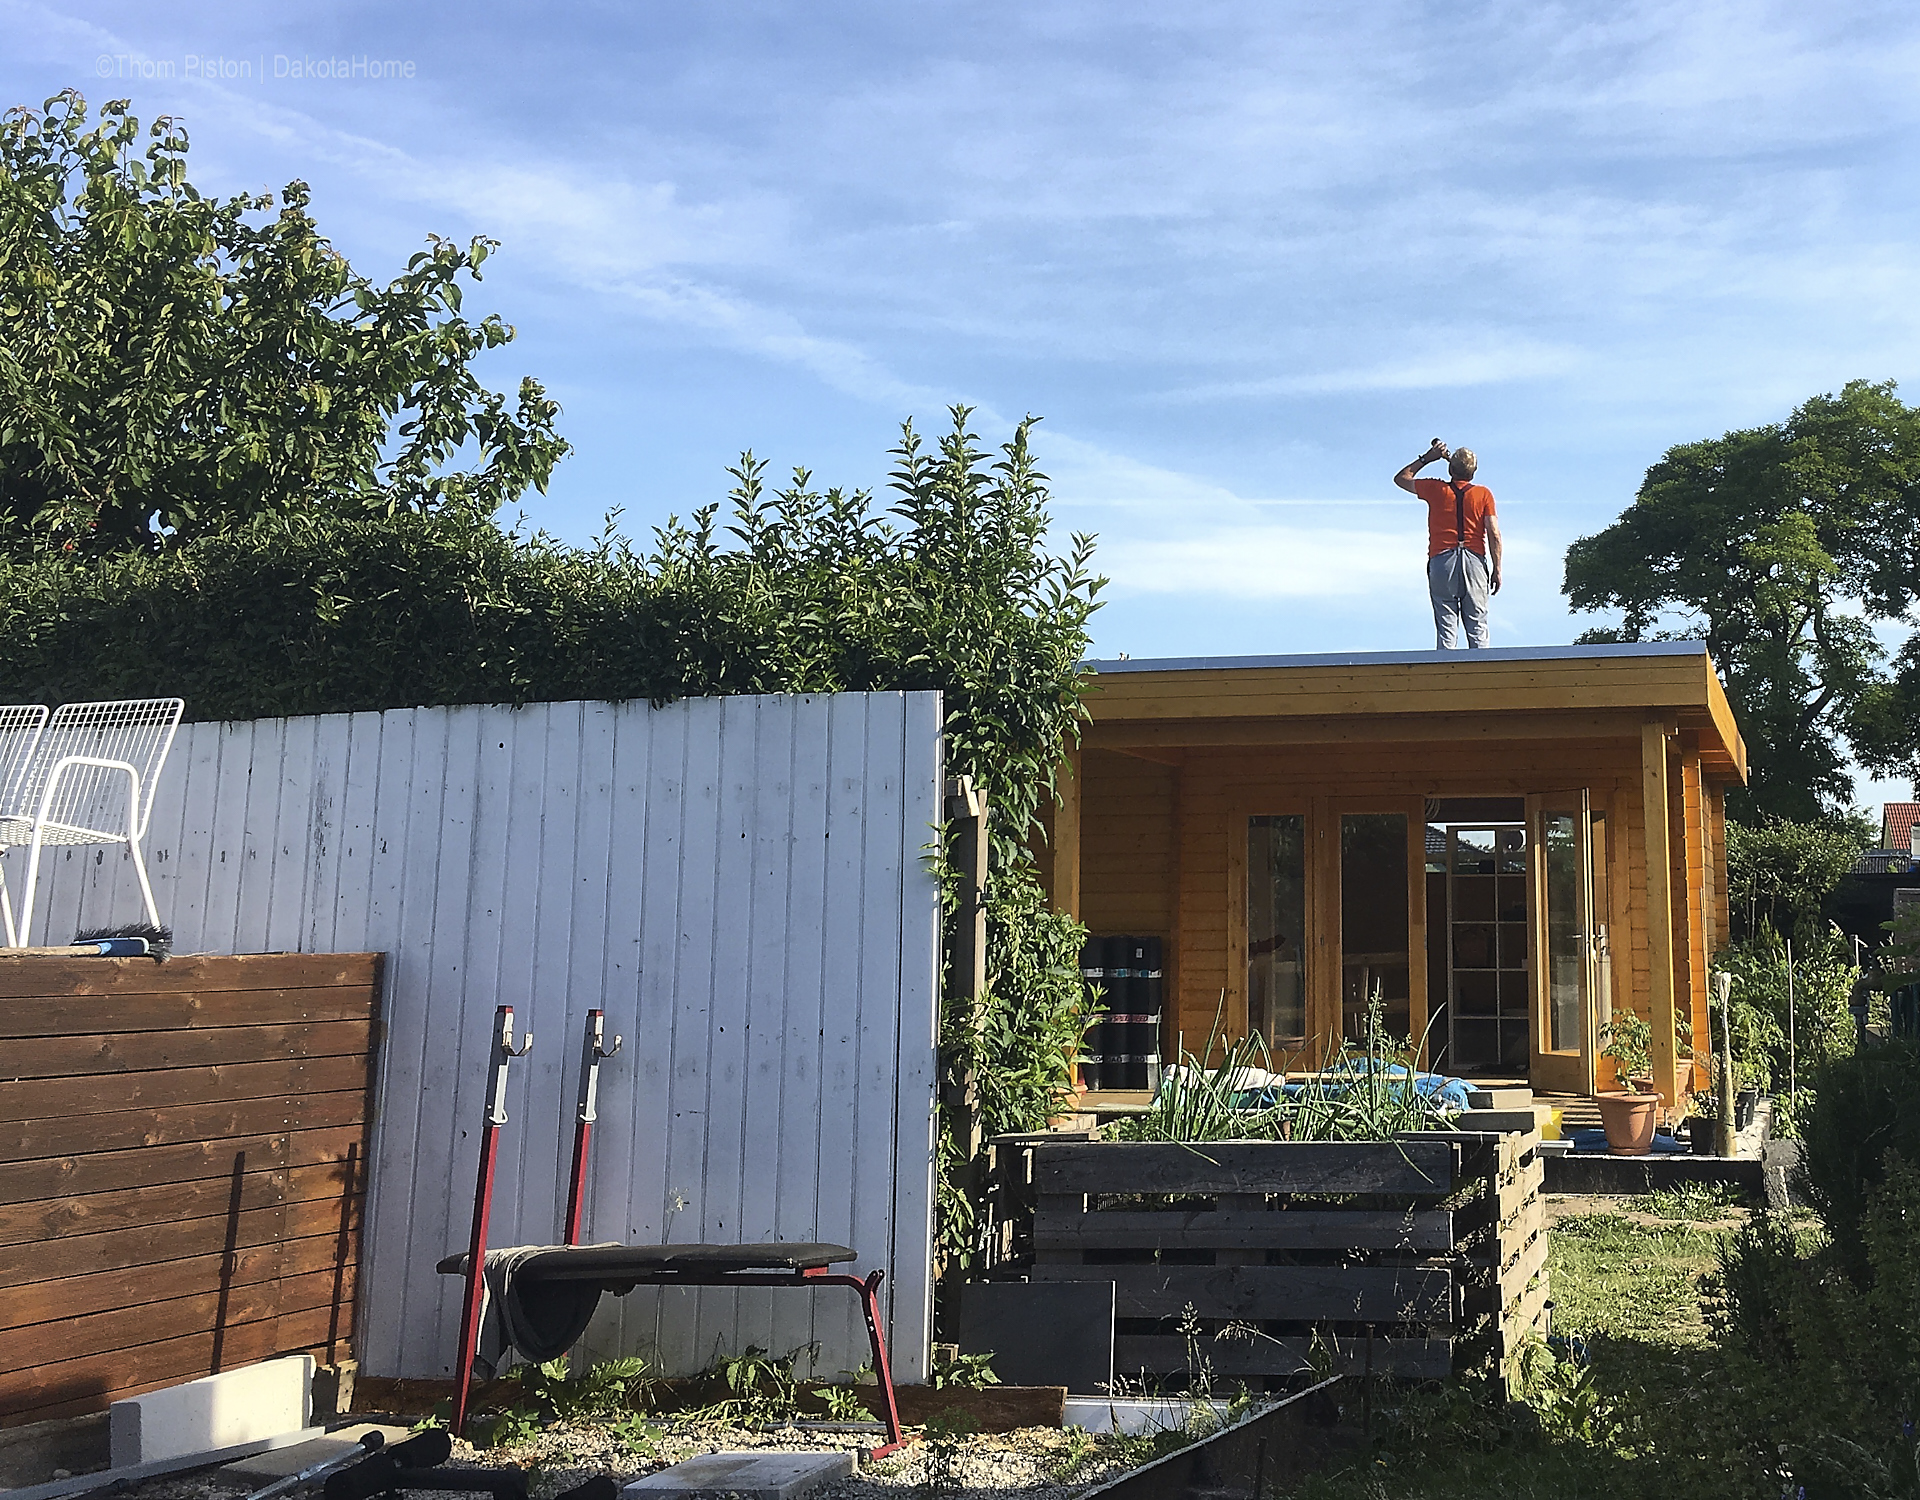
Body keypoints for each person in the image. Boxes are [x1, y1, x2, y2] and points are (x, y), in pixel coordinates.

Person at [1394, 438, 1503, 649]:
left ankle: (1447, 677)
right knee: (1478, 626)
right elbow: (1494, 533)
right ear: (1473, 472)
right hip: (1474, 560)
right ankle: (1481, 677)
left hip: (1442, 560)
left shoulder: (1435, 489)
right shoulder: (1483, 494)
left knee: (1446, 626)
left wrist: (1427, 458)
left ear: (1450, 469)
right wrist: (1497, 569)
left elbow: (1401, 478)